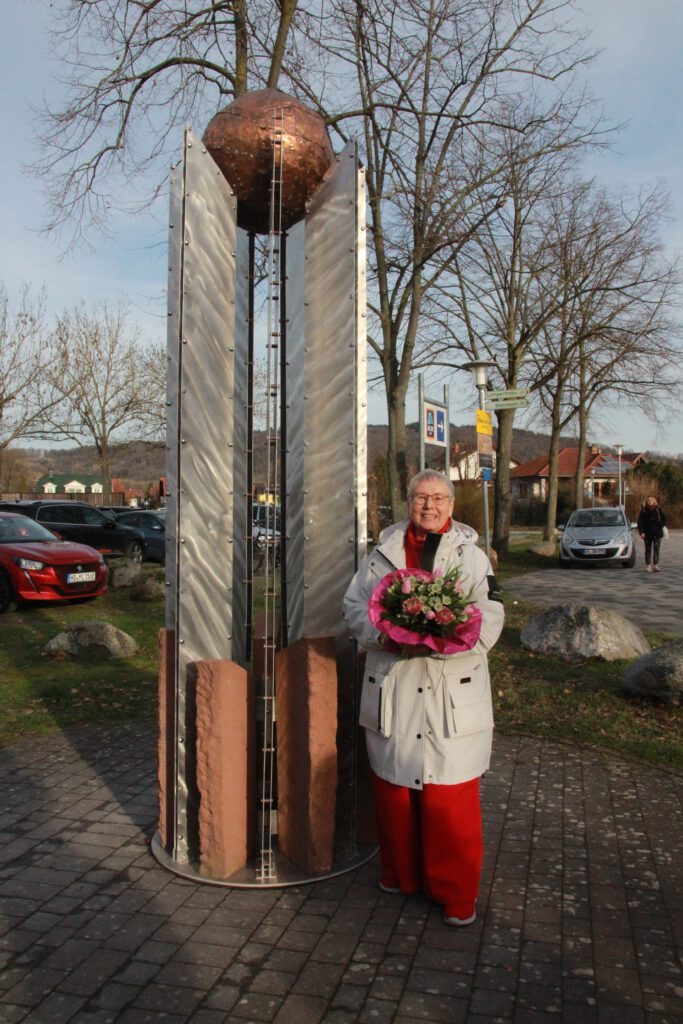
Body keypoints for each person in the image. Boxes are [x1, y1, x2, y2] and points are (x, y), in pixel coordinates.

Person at [343, 470, 504, 927]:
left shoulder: (471, 557)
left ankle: (455, 894)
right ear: (408, 501)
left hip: (449, 690)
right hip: (394, 686)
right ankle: (401, 875)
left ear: (452, 506)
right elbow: (353, 606)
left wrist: (451, 639)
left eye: (438, 498)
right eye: (420, 497)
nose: (428, 505)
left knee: (447, 797)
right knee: (395, 790)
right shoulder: (381, 553)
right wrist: (383, 634)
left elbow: (490, 613)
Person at [638, 495, 667, 573]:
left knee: (656, 549)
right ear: (646, 502)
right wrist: (641, 532)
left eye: (651, 500)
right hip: (647, 533)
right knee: (648, 549)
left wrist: (660, 526)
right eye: (648, 500)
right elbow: (640, 522)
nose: (650, 501)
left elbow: (664, 519)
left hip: (657, 533)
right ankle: (648, 565)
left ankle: (656, 565)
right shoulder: (644, 510)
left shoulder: (658, 509)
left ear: (654, 501)